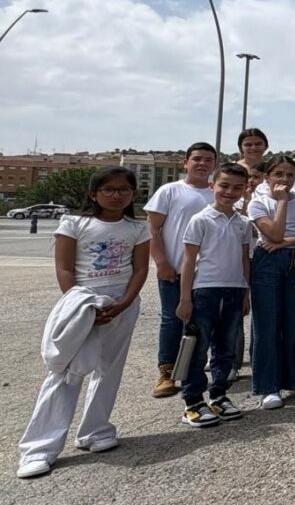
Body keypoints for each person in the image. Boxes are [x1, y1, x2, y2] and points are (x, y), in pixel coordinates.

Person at [16, 168, 150, 479]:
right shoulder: (74, 223)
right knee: (66, 372)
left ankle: (96, 430)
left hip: (122, 302)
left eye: (124, 189)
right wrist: (80, 303)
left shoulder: (137, 228)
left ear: (133, 194)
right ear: (93, 193)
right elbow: (64, 268)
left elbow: (140, 269)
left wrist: (124, 302)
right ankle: (39, 448)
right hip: (83, 302)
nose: (116, 195)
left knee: (109, 368)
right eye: (108, 189)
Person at [176, 163, 253, 427]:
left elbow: (244, 259)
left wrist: (245, 293)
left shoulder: (243, 223)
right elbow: (189, 260)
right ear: (213, 186)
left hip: (234, 290)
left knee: (226, 347)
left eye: (237, 188)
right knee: (198, 347)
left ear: (244, 190)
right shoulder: (200, 220)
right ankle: (192, 400)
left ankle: (219, 394)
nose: (230, 192)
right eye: (224, 186)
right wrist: (185, 298)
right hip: (205, 290)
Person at [143, 142, 216, 398]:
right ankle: (166, 371)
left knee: (202, 323)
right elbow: (152, 229)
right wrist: (161, 262)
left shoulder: (218, 192)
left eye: (208, 159)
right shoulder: (170, 190)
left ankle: (191, 370)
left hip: (207, 273)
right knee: (172, 320)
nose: (202, 163)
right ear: (186, 163)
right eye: (197, 158)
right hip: (174, 269)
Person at [246, 156, 295, 410]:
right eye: (278, 174)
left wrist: (286, 242)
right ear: (267, 178)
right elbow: (273, 233)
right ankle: (268, 386)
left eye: (289, 174)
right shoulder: (258, 203)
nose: (284, 179)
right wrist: (283, 201)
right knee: (268, 325)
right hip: (267, 261)